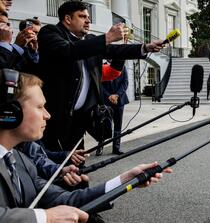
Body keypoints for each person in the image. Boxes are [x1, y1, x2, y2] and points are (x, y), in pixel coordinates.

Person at [0, 70, 171, 222]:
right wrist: (46, 217)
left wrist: (124, 180)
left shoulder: (21, 161)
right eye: (40, 107)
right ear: (9, 112)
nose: (47, 115)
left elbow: (67, 200)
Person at [37, 1, 163, 152]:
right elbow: (68, 51)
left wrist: (145, 47)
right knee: (55, 163)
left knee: (77, 164)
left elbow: (115, 51)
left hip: (80, 119)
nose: (88, 21)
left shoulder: (89, 40)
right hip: (54, 116)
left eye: (88, 17)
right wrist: (107, 37)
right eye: (82, 16)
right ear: (68, 19)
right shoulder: (49, 33)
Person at [101, 66, 129, 155]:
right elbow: (98, 84)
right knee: (104, 124)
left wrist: (116, 95)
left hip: (119, 100)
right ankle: (100, 147)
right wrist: (108, 96)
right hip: (106, 100)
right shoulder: (101, 66)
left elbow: (125, 83)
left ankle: (116, 148)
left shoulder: (122, 67)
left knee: (118, 124)